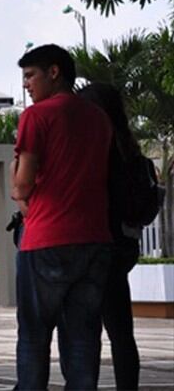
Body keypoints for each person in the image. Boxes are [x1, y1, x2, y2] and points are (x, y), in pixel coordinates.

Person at [12, 44, 113, 390]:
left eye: (30, 76)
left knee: (34, 336)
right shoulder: (99, 119)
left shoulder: (36, 116)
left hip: (46, 239)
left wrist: (16, 185)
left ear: (53, 72)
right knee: (84, 336)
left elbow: (22, 185)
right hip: (95, 238)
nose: (26, 84)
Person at [79, 82, 143, 390]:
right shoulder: (130, 151)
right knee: (121, 332)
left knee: (85, 331)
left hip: (93, 244)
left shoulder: (93, 151)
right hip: (122, 246)